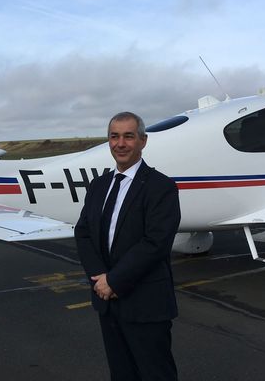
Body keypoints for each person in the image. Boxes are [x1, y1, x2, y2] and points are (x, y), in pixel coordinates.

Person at [75, 111, 181, 381]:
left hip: (146, 303)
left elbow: (155, 243)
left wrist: (114, 280)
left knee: (156, 373)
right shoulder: (98, 186)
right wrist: (100, 278)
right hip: (107, 300)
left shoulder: (162, 187)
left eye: (128, 136)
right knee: (121, 374)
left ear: (142, 141)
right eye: (114, 136)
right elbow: (83, 232)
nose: (120, 143)